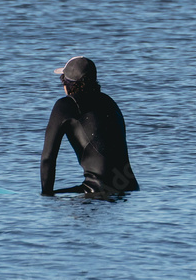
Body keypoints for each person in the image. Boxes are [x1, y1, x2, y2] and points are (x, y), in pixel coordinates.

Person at [40, 56, 139, 196]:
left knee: (49, 196)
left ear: (67, 83)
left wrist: (46, 197)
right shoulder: (110, 102)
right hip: (129, 189)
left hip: (99, 191)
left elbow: (48, 158)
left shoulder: (65, 105)